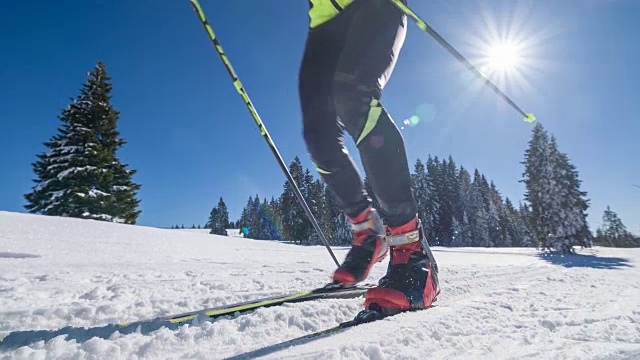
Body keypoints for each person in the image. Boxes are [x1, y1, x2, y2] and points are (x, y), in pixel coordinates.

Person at [299, 0, 440, 315]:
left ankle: (411, 249)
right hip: (323, 20)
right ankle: (367, 231)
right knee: (318, 133)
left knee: (353, 95)